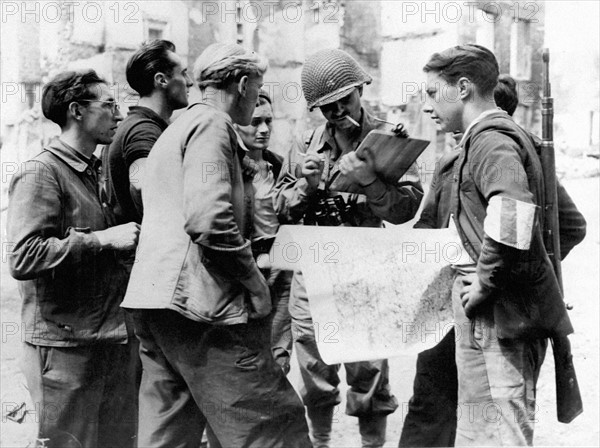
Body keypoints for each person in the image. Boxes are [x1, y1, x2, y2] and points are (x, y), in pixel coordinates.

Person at [120, 42, 311, 448]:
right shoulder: (213, 125)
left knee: (168, 432)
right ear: (243, 85)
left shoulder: (177, 128)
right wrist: (255, 285)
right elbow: (209, 221)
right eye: (257, 88)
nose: (257, 98)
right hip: (200, 307)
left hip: (155, 302)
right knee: (274, 425)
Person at [399, 72, 587, 447]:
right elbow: (569, 226)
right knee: (442, 412)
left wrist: (511, 273)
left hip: (487, 308)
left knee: (493, 425)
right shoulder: (469, 158)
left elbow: (558, 223)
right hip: (455, 307)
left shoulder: (499, 151)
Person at [275, 48, 423, 448]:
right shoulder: (305, 142)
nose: (339, 110)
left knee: (368, 368)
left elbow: (406, 208)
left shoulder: (391, 137)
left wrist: (371, 180)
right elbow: (278, 207)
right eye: (328, 106)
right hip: (314, 271)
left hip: (365, 270)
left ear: (361, 89)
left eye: (346, 99)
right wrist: (303, 186)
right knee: (313, 364)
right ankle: (319, 443)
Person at [6, 70, 140, 448]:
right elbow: (23, 256)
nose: (118, 114)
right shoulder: (41, 173)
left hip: (108, 341)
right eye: (109, 105)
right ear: (77, 111)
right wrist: (101, 240)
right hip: (65, 350)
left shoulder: (95, 171)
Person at [104, 39, 193, 225]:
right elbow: (140, 184)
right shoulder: (143, 130)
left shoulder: (136, 125)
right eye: (183, 74)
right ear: (161, 80)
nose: (190, 82)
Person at [236, 89, 294, 374]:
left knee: (279, 348)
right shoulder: (229, 166)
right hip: (245, 263)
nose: (263, 129)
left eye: (268, 121)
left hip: (281, 260)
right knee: (244, 349)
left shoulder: (280, 164)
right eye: (255, 121)